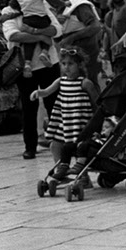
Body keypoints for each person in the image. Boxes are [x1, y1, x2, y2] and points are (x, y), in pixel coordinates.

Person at [2, 0, 60, 159]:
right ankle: (30, 147)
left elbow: (56, 30)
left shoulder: (42, 6)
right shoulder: (8, 12)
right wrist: (41, 37)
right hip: (24, 68)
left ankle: (60, 143)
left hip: (49, 65)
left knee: (54, 105)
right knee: (29, 108)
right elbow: (13, 35)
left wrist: (33, 32)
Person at [31, 46, 97, 183]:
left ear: (79, 65)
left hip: (80, 123)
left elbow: (96, 103)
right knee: (55, 145)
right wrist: (38, 93)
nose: (66, 67)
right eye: (63, 63)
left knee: (79, 148)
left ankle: (84, 177)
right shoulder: (61, 81)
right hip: (65, 122)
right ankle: (61, 171)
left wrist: (97, 123)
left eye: (70, 64)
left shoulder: (85, 83)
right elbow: (47, 91)